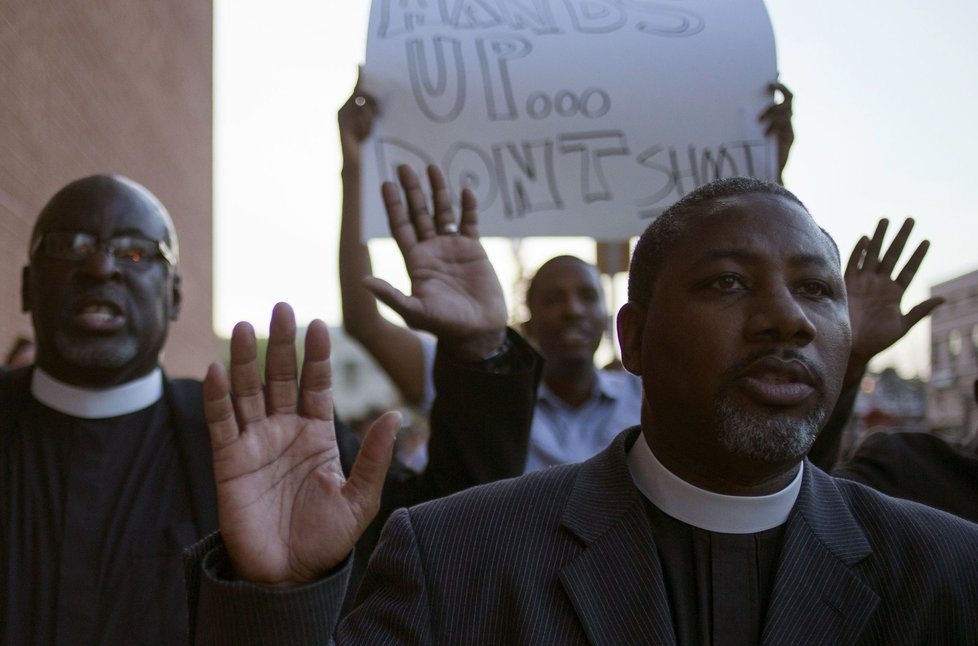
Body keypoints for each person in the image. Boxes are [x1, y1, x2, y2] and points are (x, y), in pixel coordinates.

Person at [188, 168, 978, 644]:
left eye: (815, 289)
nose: (787, 318)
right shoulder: (457, 559)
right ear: (631, 341)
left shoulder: (951, 573)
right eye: (728, 283)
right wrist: (281, 603)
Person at [338, 79, 796, 469]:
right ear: (529, 321)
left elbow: (751, 315)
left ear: (613, 318)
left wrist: (769, 171)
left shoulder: (656, 392)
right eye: (553, 299)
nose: (572, 310)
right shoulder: (477, 393)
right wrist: (355, 169)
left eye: (586, 296)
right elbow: (364, 322)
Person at [0, 174, 215, 644]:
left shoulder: (238, 441)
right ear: (26, 287)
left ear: (175, 294)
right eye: (68, 246)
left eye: (134, 251)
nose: (99, 268)